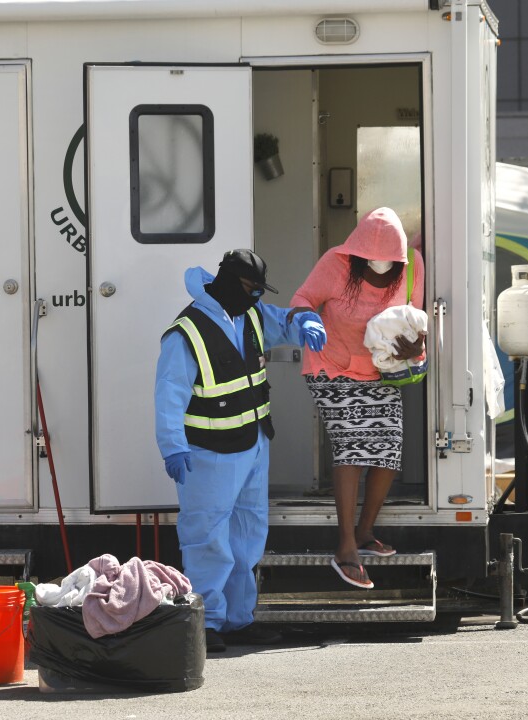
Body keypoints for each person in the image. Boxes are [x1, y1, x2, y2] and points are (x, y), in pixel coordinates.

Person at [155, 249, 326, 653]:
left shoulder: (247, 314)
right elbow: (169, 395)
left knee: (247, 534)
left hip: (252, 444)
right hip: (208, 453)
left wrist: (302, 318)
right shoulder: (188, 332)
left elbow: (281, 322)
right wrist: (173, 447)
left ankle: (237, 619)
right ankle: (206, 621)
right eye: (250, 288)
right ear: (229, 282)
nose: (255, 297)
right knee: (207, 539)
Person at [288, 207, 426, 590]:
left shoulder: (412, 265)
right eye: (372, 261)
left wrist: (414, 345)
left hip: (380, 370)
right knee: (352, 446)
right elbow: (302, 297)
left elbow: (414, 316)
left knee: (387, 449)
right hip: (331, 366)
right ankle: (345, 546)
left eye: (389, 262)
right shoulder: (336, 262)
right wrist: (306, 318)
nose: (381, 267)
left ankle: (365, 531)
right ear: (357, 254)